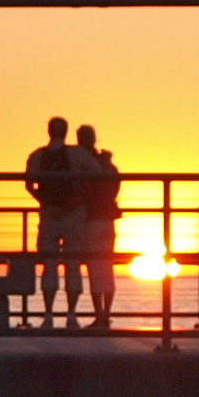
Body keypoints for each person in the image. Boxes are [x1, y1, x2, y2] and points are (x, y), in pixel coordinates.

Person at [24, 114, 83, 327]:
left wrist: (45, 201)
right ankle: (71, 314)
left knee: (49, 265)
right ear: (66, 132)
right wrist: (75, 202)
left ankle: (48, 314)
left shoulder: (37, 156)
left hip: (48, 215)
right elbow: (96, 175)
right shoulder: (76, 155)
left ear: (49, 131)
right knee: (73, 264)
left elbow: (29, 185)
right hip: (73, 215)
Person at [71, 123, 123, 328]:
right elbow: (115, 186)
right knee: (107, 267)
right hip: (108, 220)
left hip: (91, 219)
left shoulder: (83, 163)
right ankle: (106, 314)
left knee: (94, 267)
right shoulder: (109, 165)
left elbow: (82, 189)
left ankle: (99, 313)